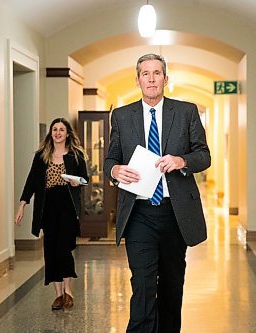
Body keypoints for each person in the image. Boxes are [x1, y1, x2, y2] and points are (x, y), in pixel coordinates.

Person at [105, 54, 211, 333]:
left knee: (171, 286)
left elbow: (204, 155)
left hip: (175, 212)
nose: (151, 79)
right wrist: (115, 171)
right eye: (145, 74)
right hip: (139, 213)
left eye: (157, 73)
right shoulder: (122, 116)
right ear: (138, 79)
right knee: (142, 284)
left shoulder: (186, 112)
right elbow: (110, 159)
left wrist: (182, 161)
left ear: (166, 78)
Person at [15, 118, 89, 311]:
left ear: (67, 134)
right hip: (47, 207)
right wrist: (22, 204)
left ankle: (68, 292)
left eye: (61, 130)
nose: (57, 133)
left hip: (67, 206)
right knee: (51, 250)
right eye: (54, 129)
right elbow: (31, 181)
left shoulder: (75, 155)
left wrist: (77, 182)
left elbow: (85, 180)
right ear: (51, 133)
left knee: (64, 248)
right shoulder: (42, 156)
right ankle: (57, 294)